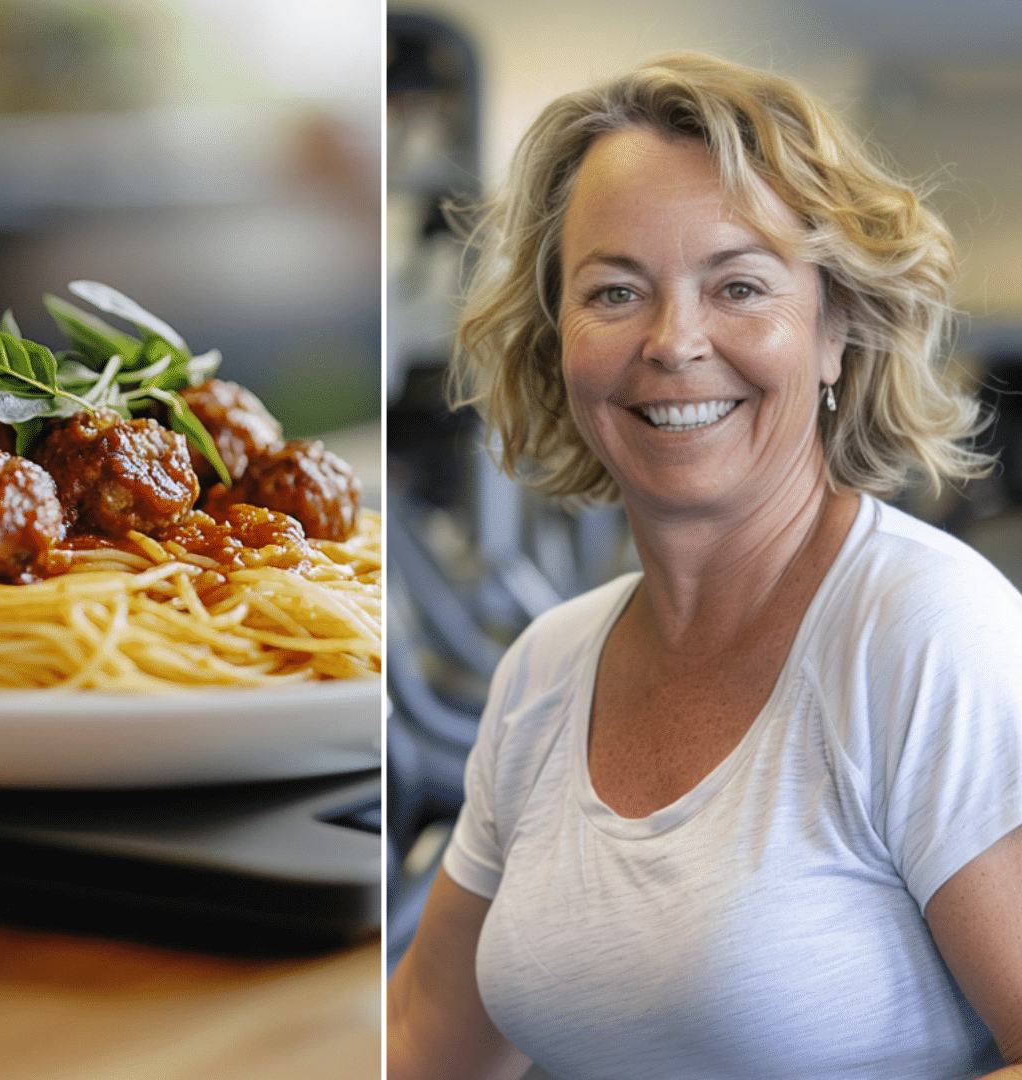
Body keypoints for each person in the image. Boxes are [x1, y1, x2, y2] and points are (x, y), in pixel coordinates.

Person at [387, 53, 1022, 1079]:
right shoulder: (543, 677)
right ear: (557, 340)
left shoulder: (927, 634)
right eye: (614, 291)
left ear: (835, 330)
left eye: (737, 285)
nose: (675, 341)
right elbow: (421, 1041)